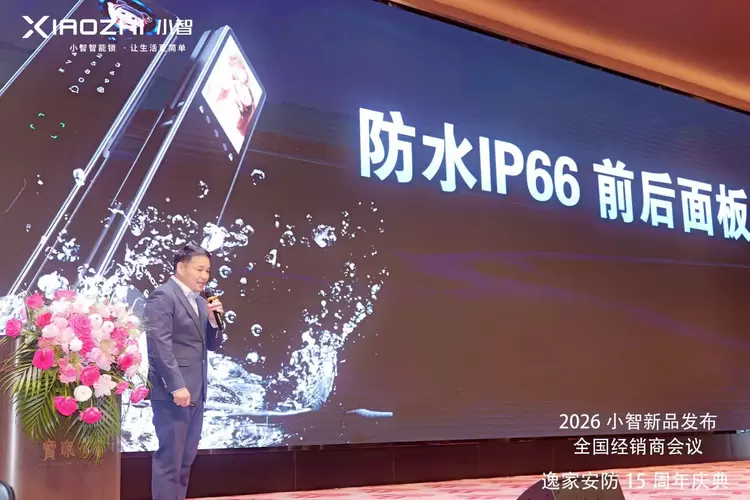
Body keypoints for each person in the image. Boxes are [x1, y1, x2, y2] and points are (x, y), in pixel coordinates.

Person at [145, 243, 225, 500]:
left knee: (185, 461)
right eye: (199, 269)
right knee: (170, 460)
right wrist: (176, 386)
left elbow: (211, 345)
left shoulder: (201, 302)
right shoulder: (163, 296)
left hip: (196, 392)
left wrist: (213, 322)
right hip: (173, 393)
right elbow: (159, 346)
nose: (205, 276)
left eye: (207, 271)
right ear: (181, 268)